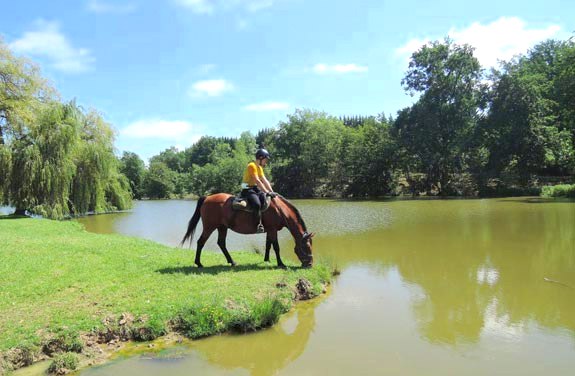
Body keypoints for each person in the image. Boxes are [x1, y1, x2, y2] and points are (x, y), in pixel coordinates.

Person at [241, 148, 276, 233]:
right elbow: (258, 181)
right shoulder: (251, 166)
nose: (266, 162)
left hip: (254, 188)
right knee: (256, 204)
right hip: (246, 189)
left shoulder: (259, 168)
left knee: (264, 200)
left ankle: (264, 222)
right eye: (265, 160)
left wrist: (271, 191)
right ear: (260, 158)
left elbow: (264, 180)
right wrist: (267, 192)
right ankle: (257, 225)